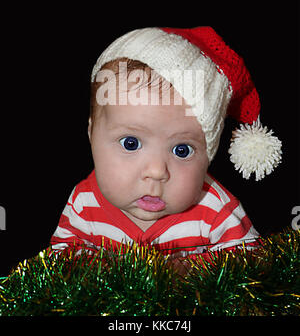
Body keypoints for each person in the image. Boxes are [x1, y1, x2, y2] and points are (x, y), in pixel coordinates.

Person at [50, 27, 282, 266]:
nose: (157, 171)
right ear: (91, 135)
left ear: (208, 156)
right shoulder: (84, 202)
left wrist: (195, 271)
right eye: (131, 143)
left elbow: (253, 265)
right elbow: (57, 262)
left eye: (182, 150)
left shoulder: (214, 209)